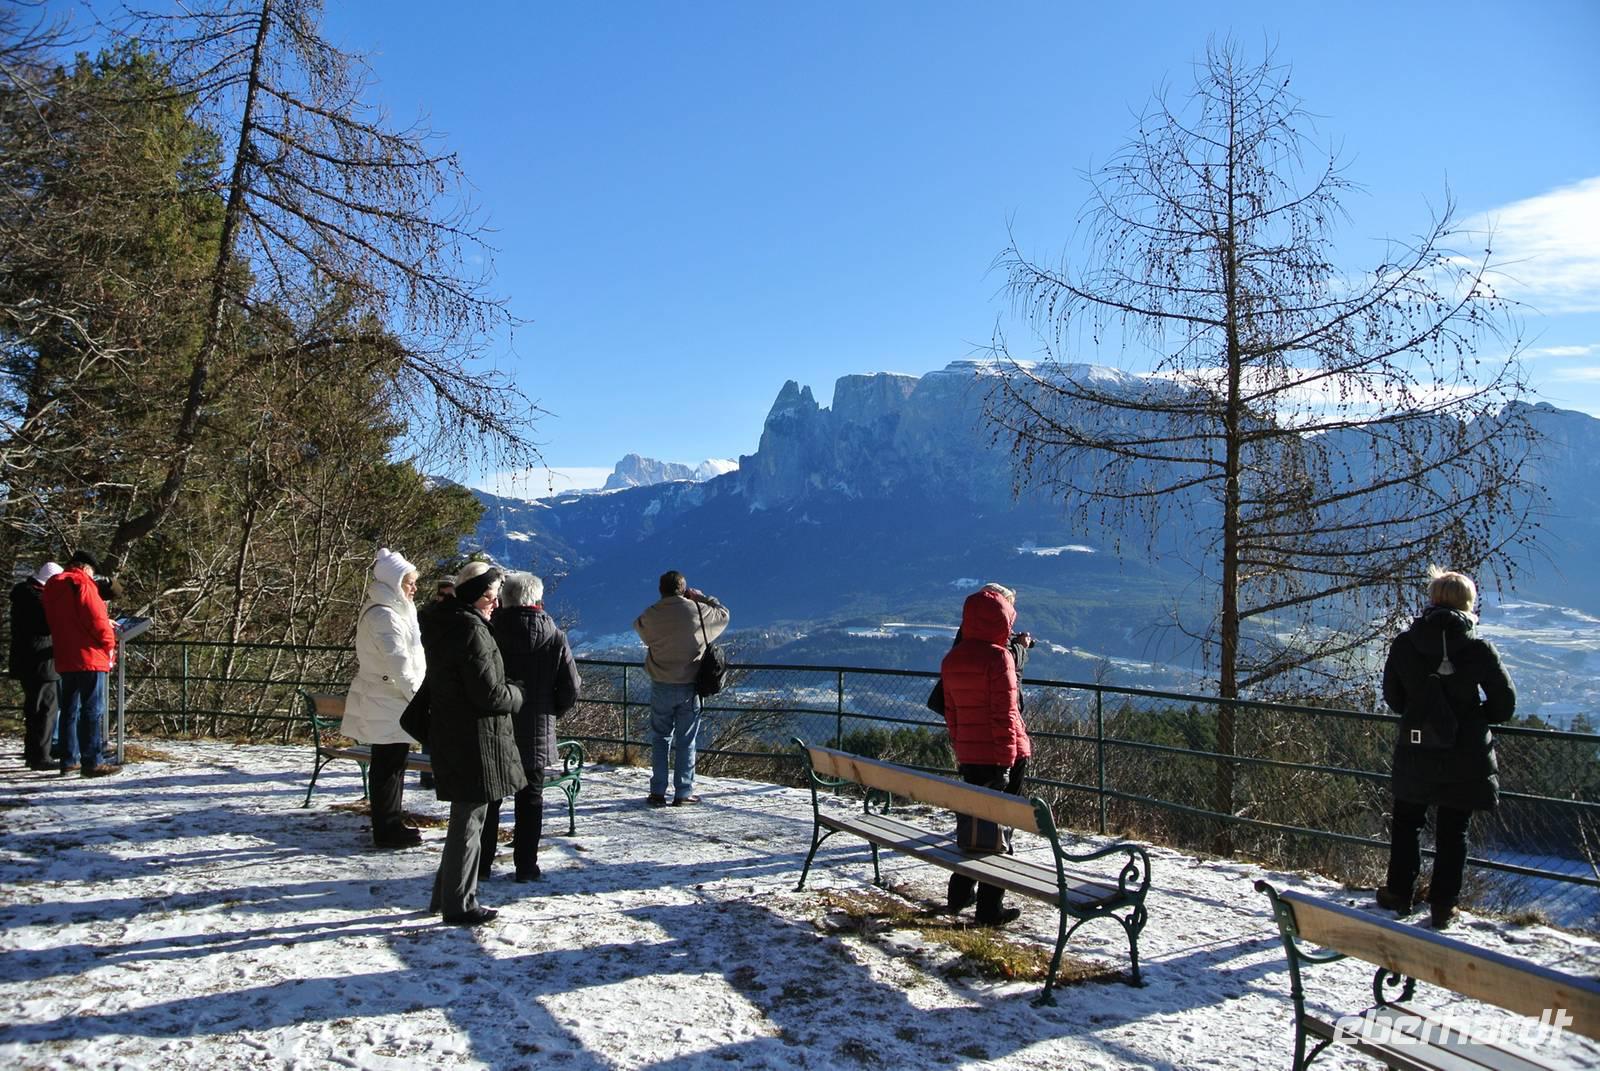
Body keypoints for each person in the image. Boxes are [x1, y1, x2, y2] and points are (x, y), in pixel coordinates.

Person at [1378, 567, 1515, 930]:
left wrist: (1423, 716)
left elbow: (1394, 698)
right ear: (1468, 605)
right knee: (1454, 831)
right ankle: (1443, 905)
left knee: (1407, 823)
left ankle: (1398, 893)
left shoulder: (1405, 644)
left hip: (1417, 749)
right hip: (1464, 755)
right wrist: (1470, 720)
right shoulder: (1478, 649)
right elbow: (1504, 705)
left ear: (1433, 601)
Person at [423, 562, 525, 926]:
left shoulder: (443, 624)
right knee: (470, 821)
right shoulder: (471, 630)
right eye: (491, 597)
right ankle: (460, 904)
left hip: (452, 731)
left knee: (463, 819)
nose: (495, 605)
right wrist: (517, 693)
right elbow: (488, 694)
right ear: (477, 596)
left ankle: (444, 896)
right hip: (475, 738)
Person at [940, 582, 1034, 927]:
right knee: (1000, 833)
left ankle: (960, 892)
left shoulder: (953, 658)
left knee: (973, 821)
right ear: (1003, 618)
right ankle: (989, 908)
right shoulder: (999, 657)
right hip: (1002, 755)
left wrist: (961, 746)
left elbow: (952, 714)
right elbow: (1005, 715)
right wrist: (1008, 763)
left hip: (970, 754)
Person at [487, 572, 580, 882]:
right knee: (531, 800)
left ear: (505, 598)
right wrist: (550, 714)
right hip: (537, 730)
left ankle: (482, 863)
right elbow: (570, 687)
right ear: (538, 599)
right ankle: (526, 866)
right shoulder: (555, 637)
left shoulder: (489, 632)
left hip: (494, 728)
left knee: (490, 798)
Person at [342, 548, 427, 849]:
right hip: (388, 701)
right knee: (388, 767)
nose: (414, 588)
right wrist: (419, 698)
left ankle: (391, 824)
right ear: (394, 583)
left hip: (388, 700)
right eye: (409, 582)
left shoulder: (389, 611)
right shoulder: (385, 616)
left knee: (391, 765)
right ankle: (387, 829)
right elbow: (400, 665)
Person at [633, 570, 729, 807]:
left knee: (660, 738)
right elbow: (724, 615)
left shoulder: (652, 614)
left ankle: (657, 792)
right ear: (684, 589)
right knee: (686, 741)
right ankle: (683, 792)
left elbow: (639, 626)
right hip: (689, 686)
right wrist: (702, 598)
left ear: (660, 589)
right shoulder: (697, 611)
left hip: (661, 684)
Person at [40, 551, 119, 777]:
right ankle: (92, 760)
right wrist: (108, 643)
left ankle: (68, 759)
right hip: (90, 656)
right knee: (93, 709)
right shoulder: (82, 584)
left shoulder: (53, 587)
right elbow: (96, 618)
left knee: (69, 710)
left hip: (65, 655)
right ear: (86, 568)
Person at [10, 561, 64, 770]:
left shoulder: (23, 596)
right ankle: (41, 755)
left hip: (26, 662)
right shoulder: (38, 600)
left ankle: (33, 751)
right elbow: (47, 625)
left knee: (34, 708)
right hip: (41, 663)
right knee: (46, 708)